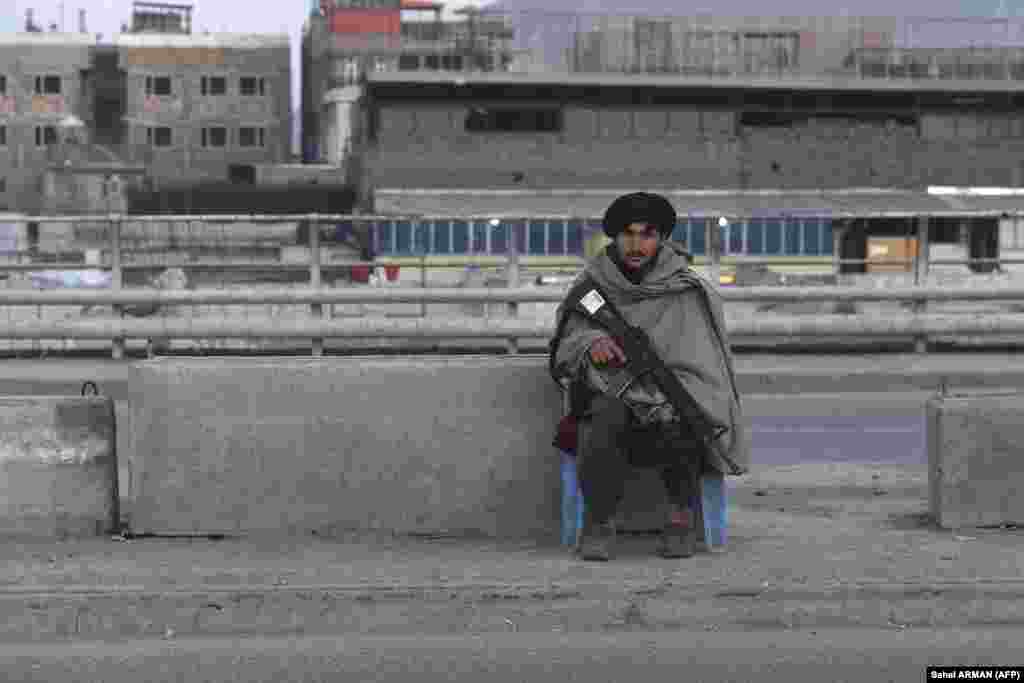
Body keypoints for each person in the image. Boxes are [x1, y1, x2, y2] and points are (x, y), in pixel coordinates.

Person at [549, 192, 750, 562]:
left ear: (661, 239)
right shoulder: (592, 289)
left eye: (647, 234)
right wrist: (593, 343)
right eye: (628, 234)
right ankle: (599, 522)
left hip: (672, 409)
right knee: (605, 414)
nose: (636, 244)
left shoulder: (685, 290)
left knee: (682, 412)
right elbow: (568, 342)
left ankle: (680, 519)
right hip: (614, 404)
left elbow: (703, 365)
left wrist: (665, 396)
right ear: (614, 237)